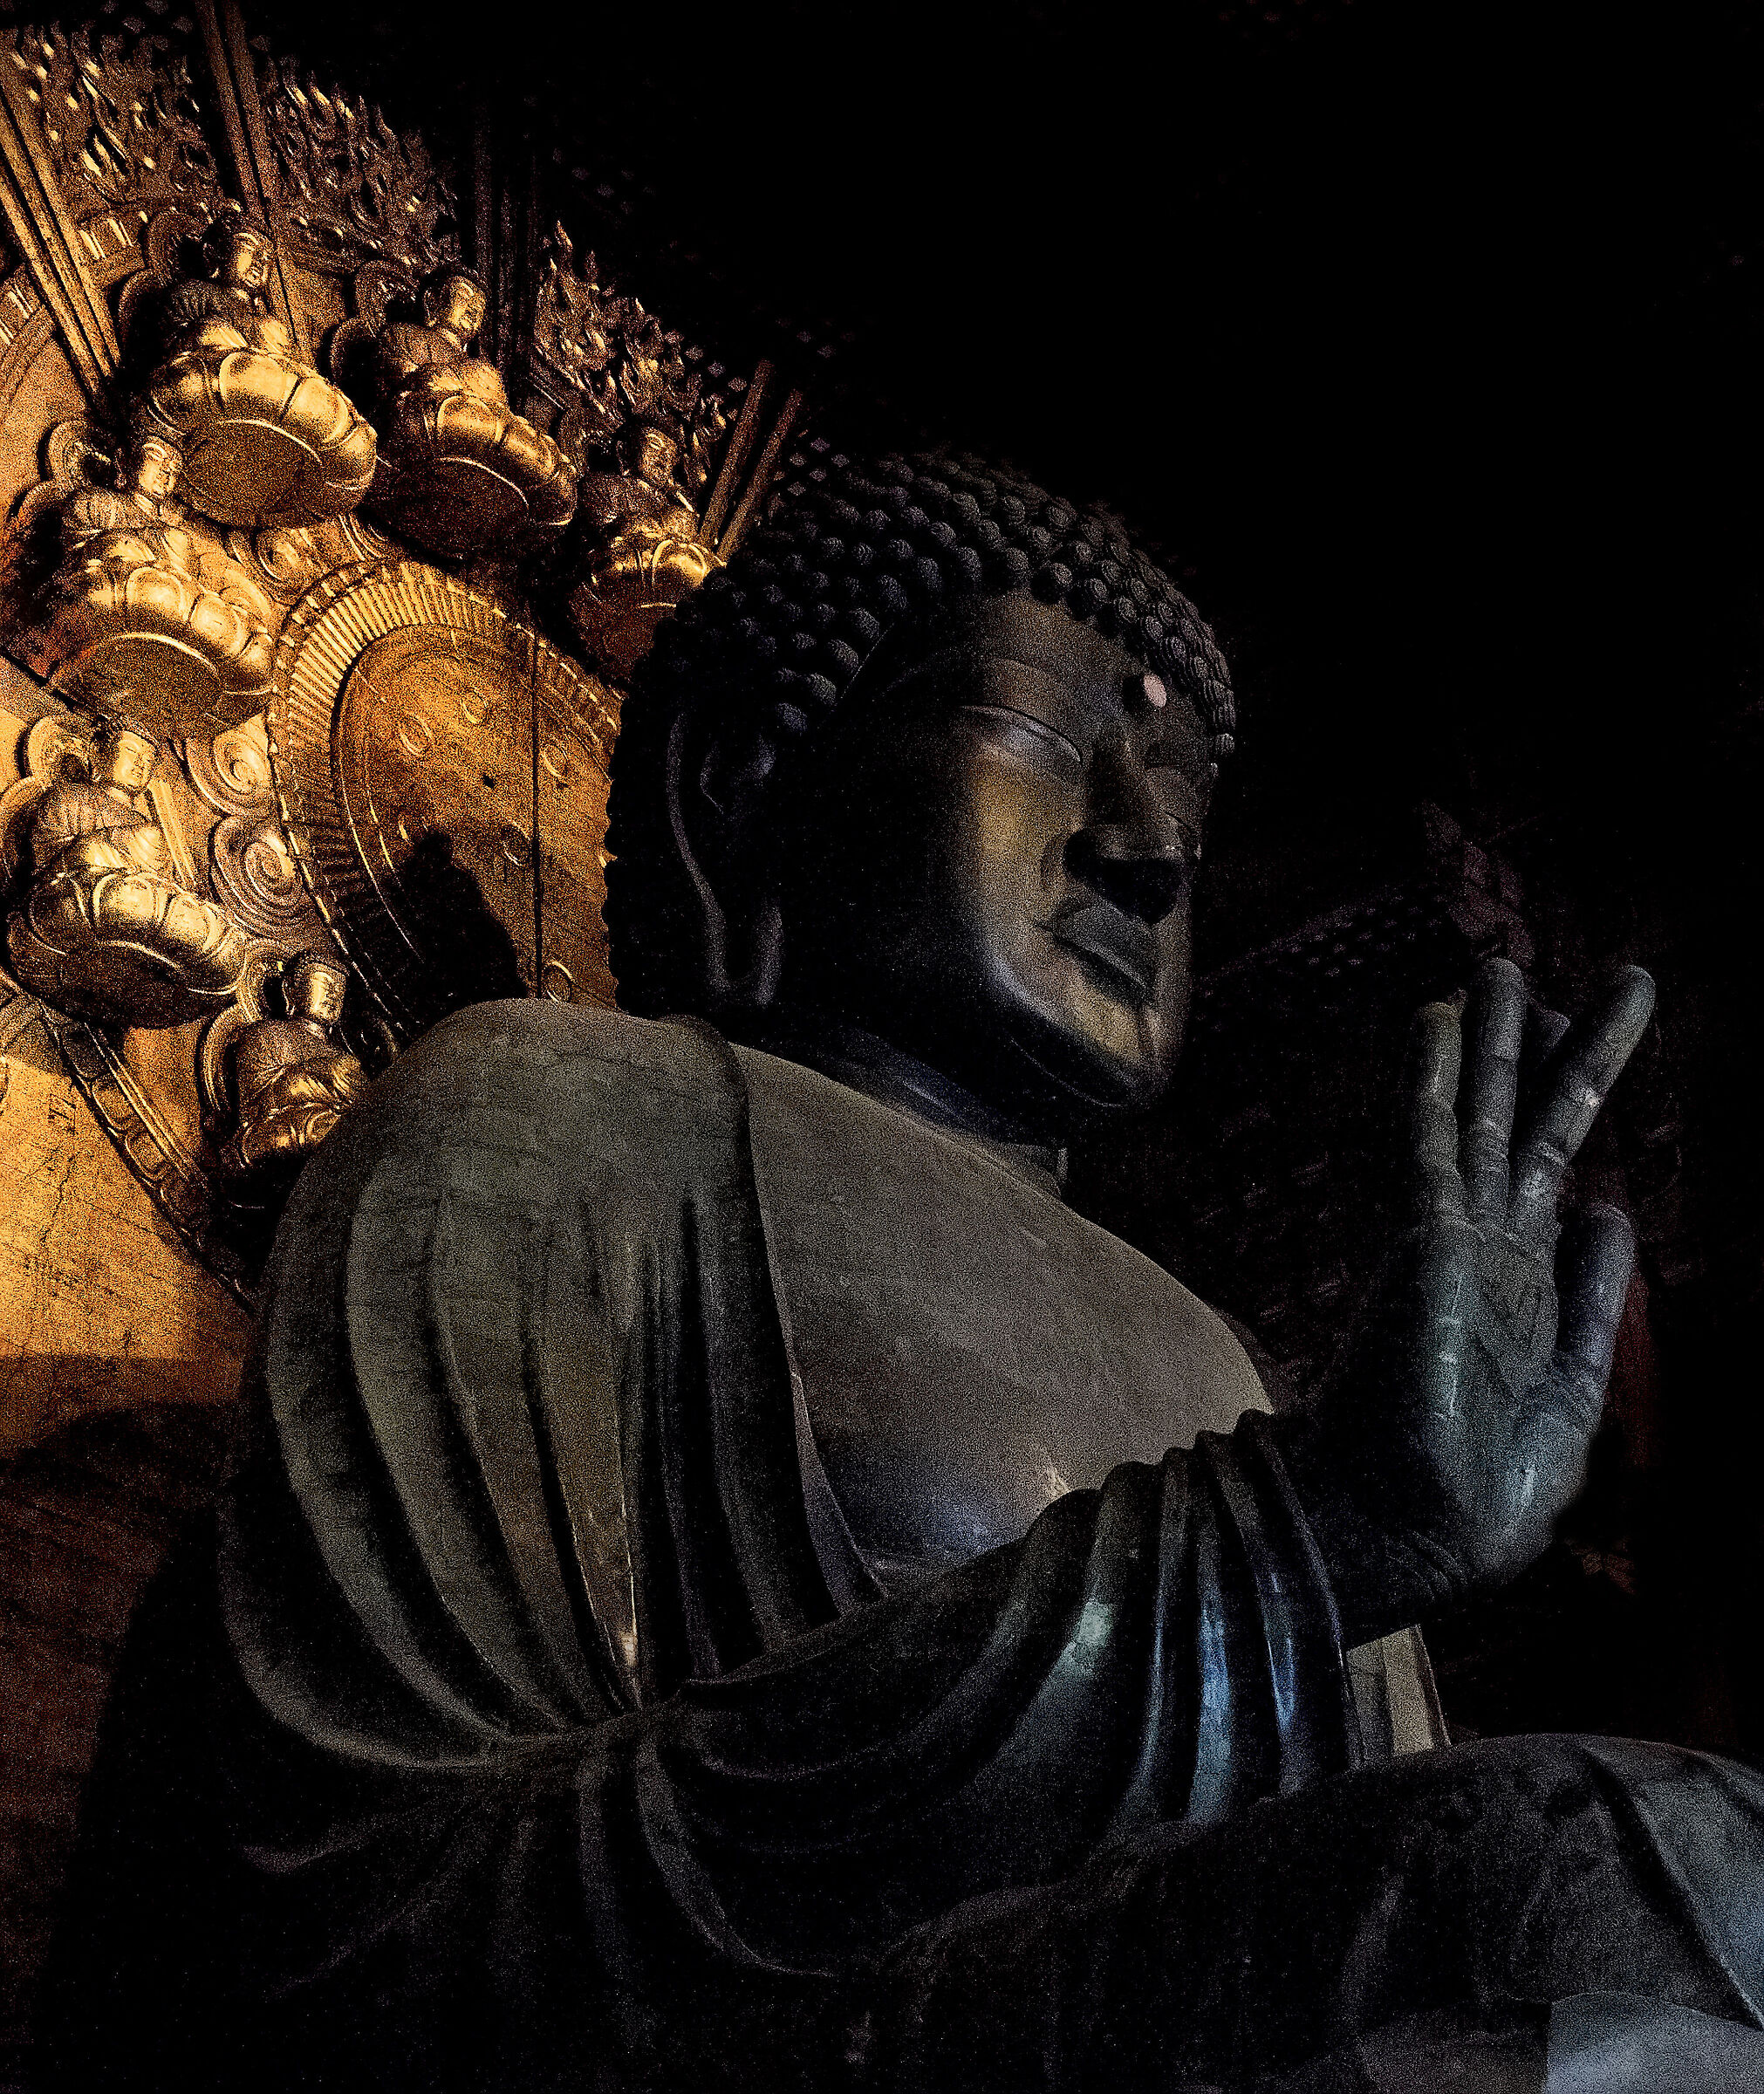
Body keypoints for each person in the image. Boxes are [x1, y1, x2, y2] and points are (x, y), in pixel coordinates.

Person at [43, 455, 1764, 2093]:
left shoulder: (1208, 1355)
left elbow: (1364, 1916)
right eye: (1040, 731)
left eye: (1184, 798)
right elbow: (386, 1938)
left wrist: (1331, 1539)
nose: (1149, 849)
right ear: (745, 784)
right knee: (1613, 1879)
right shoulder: (554, 1114)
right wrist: (1295, 1540)